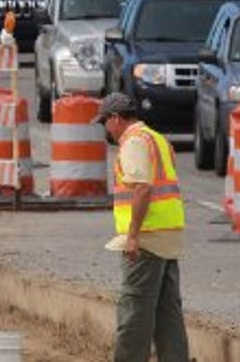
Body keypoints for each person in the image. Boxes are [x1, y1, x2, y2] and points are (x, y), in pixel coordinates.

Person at [93, 92, 189, 362]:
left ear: (115, 119)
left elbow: (143, 188)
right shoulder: (156, 138)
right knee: (167, 315)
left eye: (105, 122)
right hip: (168, 237)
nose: (106, 129)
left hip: (146, 240)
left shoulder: (133, 142)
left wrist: (132, 236)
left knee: (134, 312)